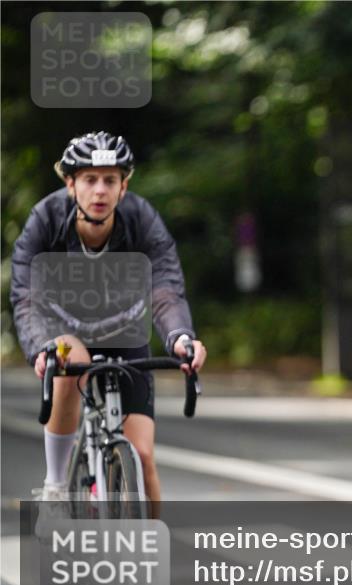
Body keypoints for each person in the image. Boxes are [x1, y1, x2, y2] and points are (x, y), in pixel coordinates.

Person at [9, 130, 208, 509]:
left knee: (143, 457)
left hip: (124, 332)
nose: (99, 190)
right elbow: (26, 296)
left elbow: (164, 288)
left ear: (123, 186)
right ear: (71, 184)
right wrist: (40, 347)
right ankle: (55, 486)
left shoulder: (142, 219)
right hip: (61, 328)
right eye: (89, 179)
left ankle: (147, 553)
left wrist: (181, 338)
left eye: (110, 180)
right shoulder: (45, 220)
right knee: (72, 357)